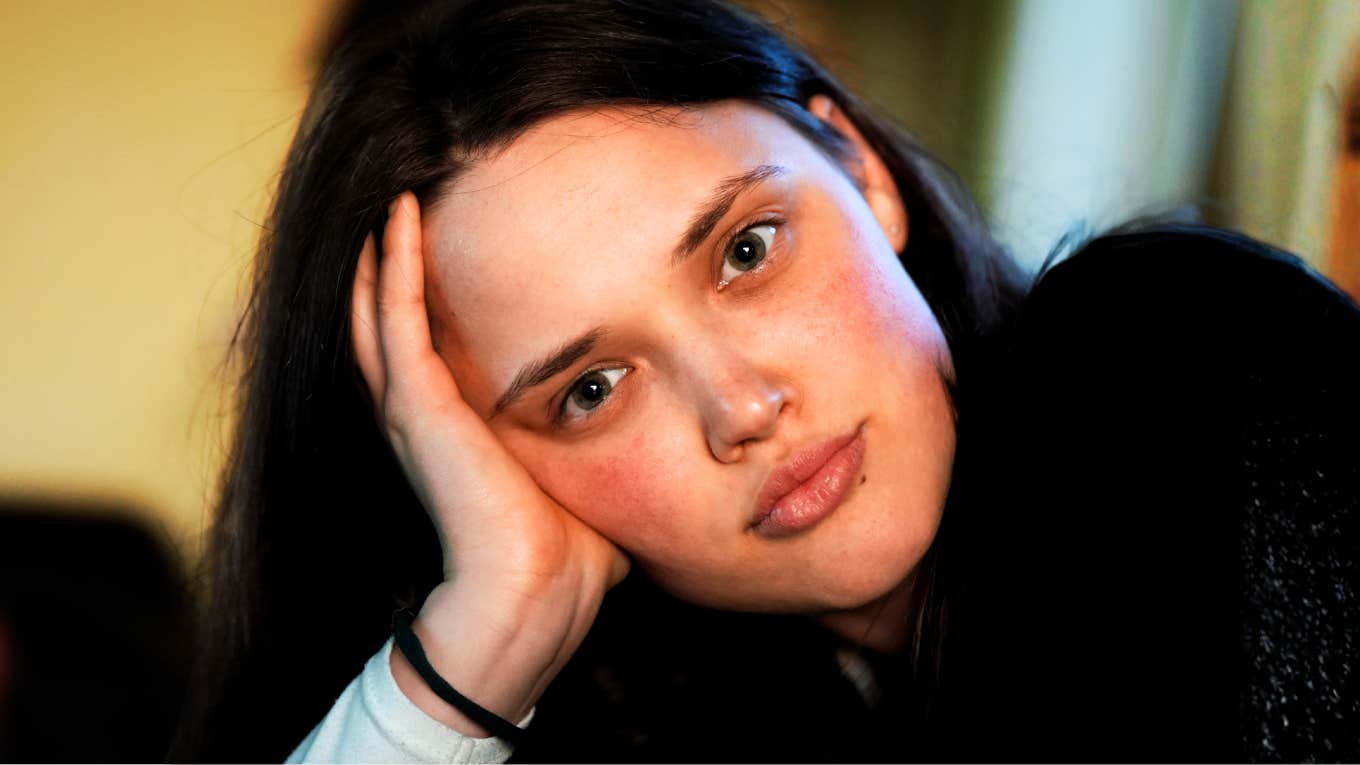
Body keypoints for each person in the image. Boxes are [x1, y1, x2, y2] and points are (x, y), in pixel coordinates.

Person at [171, 0, 1360, 761]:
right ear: (481, 468)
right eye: (588, 388)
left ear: (859, 169)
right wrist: (471, 657)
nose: (740, 409)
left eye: (745, 250)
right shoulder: (635, 713)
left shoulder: (1179, 366)